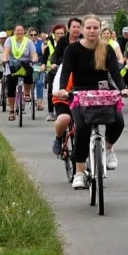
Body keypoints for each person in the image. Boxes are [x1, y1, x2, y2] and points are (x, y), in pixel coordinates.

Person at [55, 14, 128, 189]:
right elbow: (66, 71)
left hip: (104, 91)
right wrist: (63, 90)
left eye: (95, 28)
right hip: (80, 92)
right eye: (88, 27)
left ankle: (109, 148)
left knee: (118, 121)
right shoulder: (72, 49)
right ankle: (79, 172)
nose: (92, 31)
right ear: (82, 29)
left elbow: (115, 72)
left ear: (100, 29)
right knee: (82, 128)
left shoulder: (106, 48)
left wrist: (122, 89)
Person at [50, 18, 82, 154]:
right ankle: (58, 138)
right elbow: (57, 85)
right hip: (64, 97)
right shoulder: (64, 65)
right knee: (64, 118)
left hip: (82, 97)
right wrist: (59, 92)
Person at [2, 25, 39, 121]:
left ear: (24, 32)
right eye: (17, 30)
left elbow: (33, 53)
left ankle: (26, 94)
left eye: (21, 30)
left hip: (25, 64)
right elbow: (6, 51)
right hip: (12, 65)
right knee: (10, 87)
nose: (19, 32)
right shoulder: (9, 40)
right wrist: (4, 58)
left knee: (30, 72)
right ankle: (11, 110)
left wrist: (34, 58)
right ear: (14, 31)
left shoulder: (28, 41)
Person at [41, 24, 66, 121]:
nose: (60, 35)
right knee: (51, 89)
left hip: (65, 69)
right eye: (58, 33)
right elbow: (45, 56)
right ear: (53, 34)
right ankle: (51, 112)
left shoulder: (68, 43)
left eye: (62, 33)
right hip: (53, 69)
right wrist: (43, 65)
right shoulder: (49, 44)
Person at [27, 27, 45, 110]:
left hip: (38, 65)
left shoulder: (40, 43)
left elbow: (44, 55)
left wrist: (43, 64)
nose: (33, 36)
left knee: (39, 83)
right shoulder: (26, 43)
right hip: (28, 65)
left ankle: (39, 103)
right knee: (28, 82)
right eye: (31, 35)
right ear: (28, 35)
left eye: (35, 34)